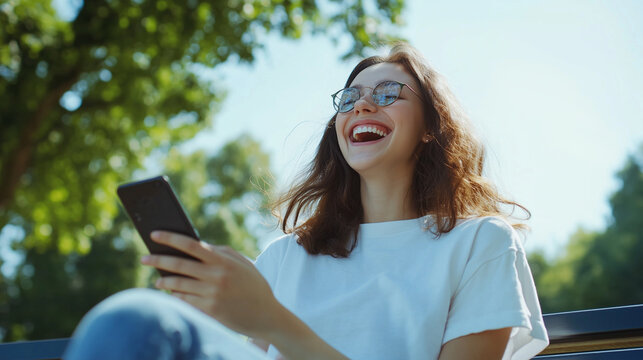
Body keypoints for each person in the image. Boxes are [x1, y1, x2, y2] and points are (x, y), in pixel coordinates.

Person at [63, 43, 549, 360]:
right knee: (135, 319)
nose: (362, 105)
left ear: (429, 127)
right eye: (349, 98)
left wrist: (273, 321)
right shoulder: (283, 257)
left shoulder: (480, 244)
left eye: (388, 92)